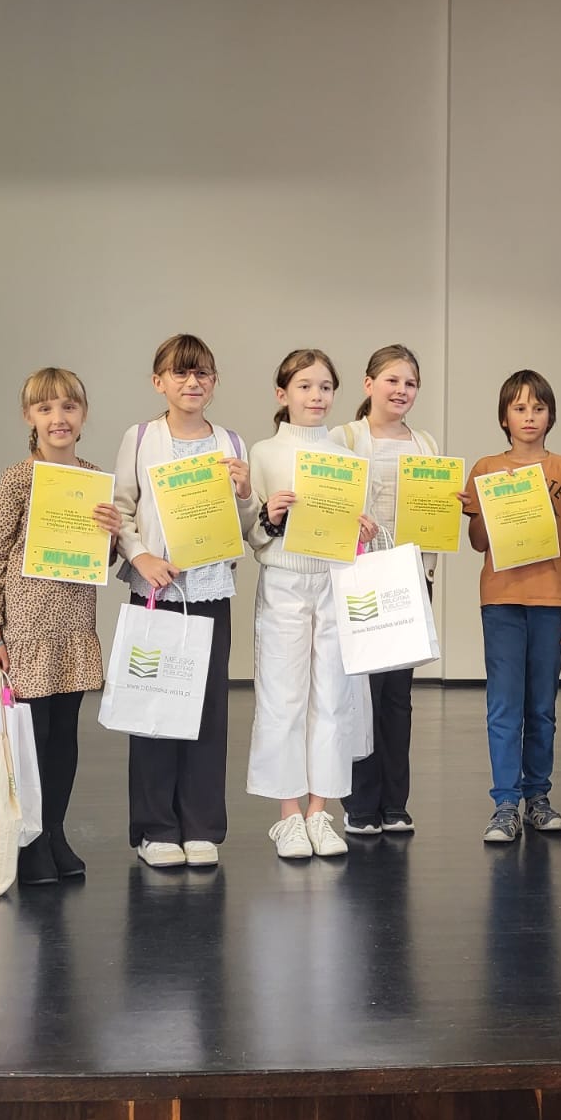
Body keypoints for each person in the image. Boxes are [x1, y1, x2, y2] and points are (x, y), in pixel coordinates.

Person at [111, 334, 256, 868]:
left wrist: (246, 493)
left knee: (208, 710)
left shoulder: (232, 442)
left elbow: (246, 526)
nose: (192, 382)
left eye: (202, 374)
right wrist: (141, 556)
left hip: (210, 589)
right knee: (154, 706)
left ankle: (201, 827)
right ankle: (155, 829)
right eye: (181, 373)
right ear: (159, 382)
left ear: (214, 382)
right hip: (156, 589)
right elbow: (121, 509)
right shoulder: (141, 437)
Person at [0, 367, 121, 885]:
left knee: (64, 737)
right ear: (29, 417)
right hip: (27, 628)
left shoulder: (94, 478)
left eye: (68, 407)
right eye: (45, 408)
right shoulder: (19, 477)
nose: (58, 417)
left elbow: (99, 560)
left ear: (83, 415)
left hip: (74, 624)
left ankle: (55, 831)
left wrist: (110, 535)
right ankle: (29, 839)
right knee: (30, 738)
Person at [245, 349, 378, 859]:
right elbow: (251, 533)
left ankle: (320, 811)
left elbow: (354, 526)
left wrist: (362, 529)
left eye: (325, 387)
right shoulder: (263, 453)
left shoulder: (347, 456)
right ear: (283, 394)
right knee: (283, 697)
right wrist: (270, 516)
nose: (316, 396)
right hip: (284, 583)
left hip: (334, 582)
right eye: (304, 386)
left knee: (333, 697)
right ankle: (288, 816)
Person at [461, 370, 561, 842]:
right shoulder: (486, 467)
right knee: (503, 705)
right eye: (519, 408)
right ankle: (505, 803)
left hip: (552, 601)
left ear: (551, 415)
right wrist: (481, 507)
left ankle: (538, 798)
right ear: (504, 417)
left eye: (538, 408)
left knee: (541, 707)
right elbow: (478, 542)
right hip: (500, 600)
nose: (529, 417)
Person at [330, 344, 441, 836]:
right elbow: (326, 501)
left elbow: (433, 511)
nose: (401, 390)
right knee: (361, 694)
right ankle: (359, 804)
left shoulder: (425, 443)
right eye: (392, 380)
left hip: (410, 578)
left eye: (410, 383)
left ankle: (395, 804)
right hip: (360, 579)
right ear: (368, 384)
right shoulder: (343, 437)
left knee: (398, 695)